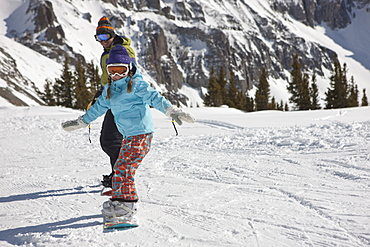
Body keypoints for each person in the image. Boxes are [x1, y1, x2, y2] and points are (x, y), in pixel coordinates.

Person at [61, 44, 195, 223]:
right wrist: (82, 121)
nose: (116, 75)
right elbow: (98, 108)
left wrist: (172, 111)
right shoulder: (110, 90)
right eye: (112, 70)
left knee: (124, 169)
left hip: (141, 134)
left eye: (120, 70)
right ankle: (121, 200)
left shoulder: (137, 84)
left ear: (129, 69)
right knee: (121, 168)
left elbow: (155, 98)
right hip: (129, 135)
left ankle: (127, 205)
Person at [90, 16, 136, 188]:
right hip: (112, 96)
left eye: (104, 37)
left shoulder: (120, 50)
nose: (101, 41)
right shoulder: (109, 50)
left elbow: (131, 72)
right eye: (98, 38)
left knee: (110, 140)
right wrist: (102, 92)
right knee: (114, 140)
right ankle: (118, 173)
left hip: (121, 99)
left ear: (111, 34)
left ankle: (121, 176)